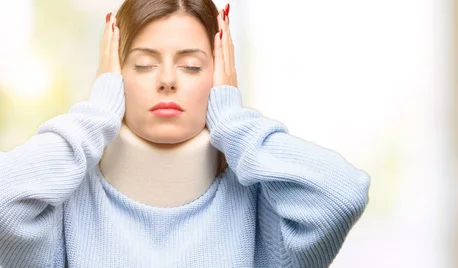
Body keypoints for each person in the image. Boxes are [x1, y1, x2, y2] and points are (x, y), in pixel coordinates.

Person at [0, 0, 370, 267]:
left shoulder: (260, 205)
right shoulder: (65, 202)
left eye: (191, 66)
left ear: (220, 74)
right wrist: (96, 115)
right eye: (144, 64)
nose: (166, 80)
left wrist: (231, 120)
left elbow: (342, 194)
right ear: (113, 75)